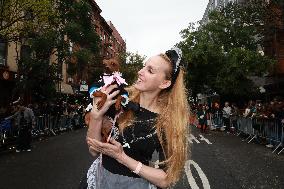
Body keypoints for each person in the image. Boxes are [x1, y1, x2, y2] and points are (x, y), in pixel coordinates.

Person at [82, 48, 190, 189]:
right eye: (144, 66)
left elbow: (166, 180)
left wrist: (122, 157)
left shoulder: (166, 122)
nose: (140, 71)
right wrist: (96, 116)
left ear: (164, 83)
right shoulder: (119, 98)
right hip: (99, 179)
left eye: (150, 70)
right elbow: (93, 150)